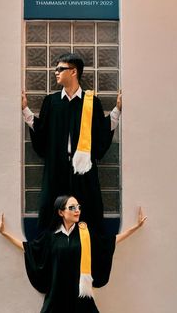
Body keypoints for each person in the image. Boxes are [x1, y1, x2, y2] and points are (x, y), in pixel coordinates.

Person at [22, 53, 122, 232]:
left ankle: (89, 253)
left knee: (87, 212)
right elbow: (41, 130)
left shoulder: (91, 102)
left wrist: (117, 110)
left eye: (60, 69)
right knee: (51, 210)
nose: (56, 72)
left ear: (74, 71)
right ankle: (49, 253)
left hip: (83, 170)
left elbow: (102, 132)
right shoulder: (51, 102)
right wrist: (25, 109)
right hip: (56, 169)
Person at [0, 195, 147, 313]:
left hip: (80, 295)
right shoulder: (50, 236)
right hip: (57, 294)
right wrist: (4, 234)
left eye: (78, 207)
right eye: (72, 207)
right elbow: (28, 248)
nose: (77, 210)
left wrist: (135, 227)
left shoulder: (85, 233)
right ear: (61, 212)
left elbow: (108, 243)